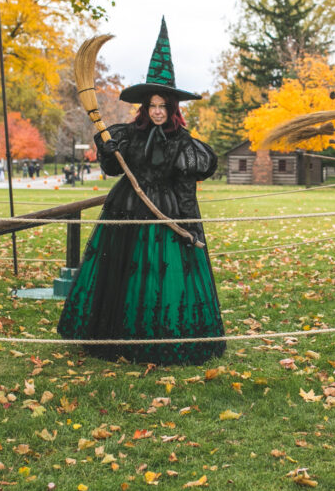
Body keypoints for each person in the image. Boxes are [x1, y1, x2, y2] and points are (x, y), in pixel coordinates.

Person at [58, 19, 225, 365]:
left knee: (162, 277)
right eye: (153, 105)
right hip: (127, 210)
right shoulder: (129, 135)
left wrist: (189, 226)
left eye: (164, 105)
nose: (158, 111)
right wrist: (108, 148)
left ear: (173, 108)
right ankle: (115, 337)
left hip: (165, 215)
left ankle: (163, 337)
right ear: (145, 108)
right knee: (122, 275)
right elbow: (114, 169)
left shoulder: (183, 144)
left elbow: (185, 191)